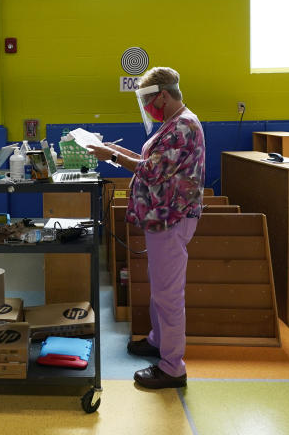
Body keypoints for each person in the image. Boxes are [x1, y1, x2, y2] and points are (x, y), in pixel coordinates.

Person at [88, 67, 205, 389]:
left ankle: (172, 367)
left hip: (172, 219)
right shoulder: (173, 124)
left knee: (168, 295)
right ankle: (157, 341)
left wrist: (111, 154)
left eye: (149, 100)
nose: (147, 107)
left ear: (163, 95)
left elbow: (151, 172)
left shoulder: (183, 126)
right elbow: (150, 162)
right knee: (160, 288)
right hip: (163, 218)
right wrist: (115, 154)